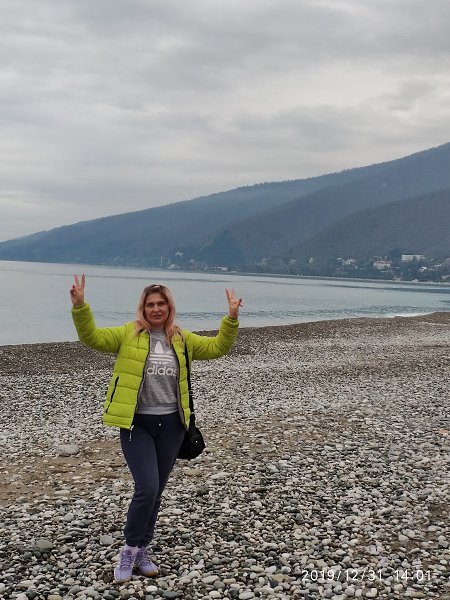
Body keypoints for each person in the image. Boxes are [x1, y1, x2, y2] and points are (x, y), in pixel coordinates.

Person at [70, 275, 242, 583]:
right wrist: (81, 307)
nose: (156, 308)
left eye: (161, 303)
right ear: (143, 308)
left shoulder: (182, 339)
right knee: (147, 488)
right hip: (137, 424)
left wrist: (231, 318)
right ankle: (128, 550)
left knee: (156, 492)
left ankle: (141, 549)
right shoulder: (128, 334)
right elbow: (92, 337)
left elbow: (218, 347)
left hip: (172, 426)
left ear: (169, 307)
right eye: (150, 304)